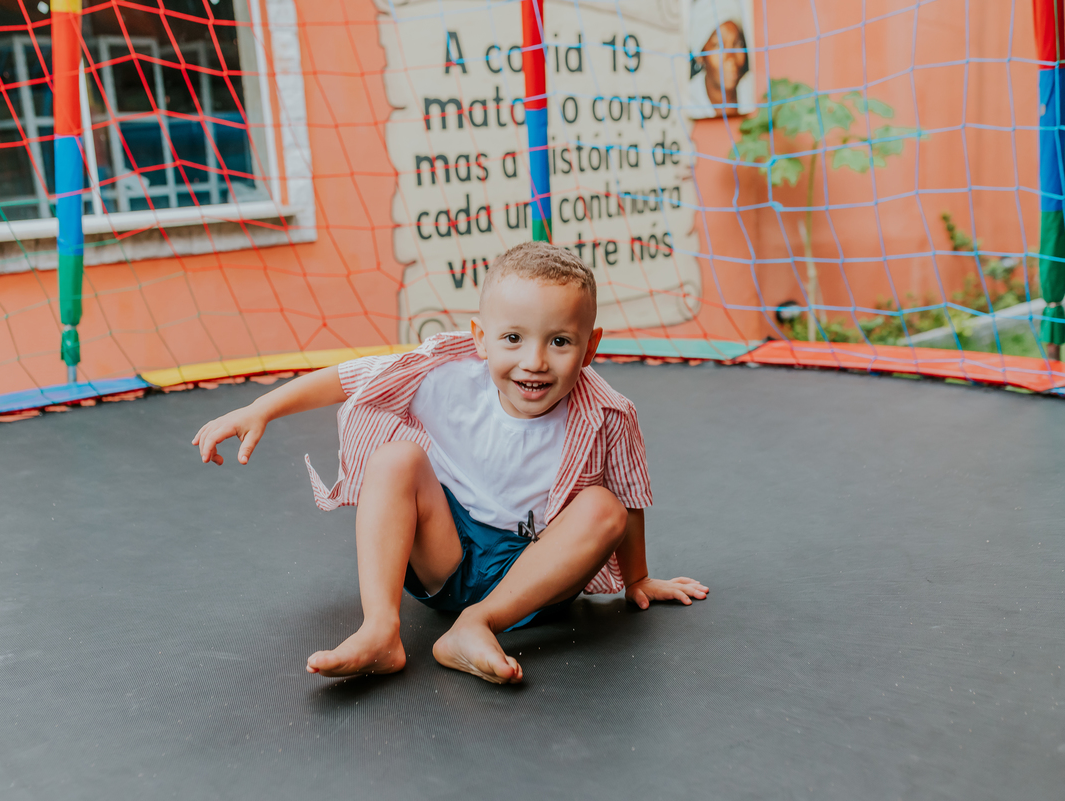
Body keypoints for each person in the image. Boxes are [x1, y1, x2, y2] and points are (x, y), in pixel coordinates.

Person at [191, 242, 708, 684]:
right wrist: (261, 408)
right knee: (395, 458)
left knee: (604, 507)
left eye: (559, 341)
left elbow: (631, 500)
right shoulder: (446, 373)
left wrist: (637, 578)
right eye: (513, 338)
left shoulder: (608, 413)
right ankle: (380, 629)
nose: (534, 361)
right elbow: (348, 378)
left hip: (534, 576)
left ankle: (475, 625)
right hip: (446, 555)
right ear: (480, 337)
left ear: (590, 346)